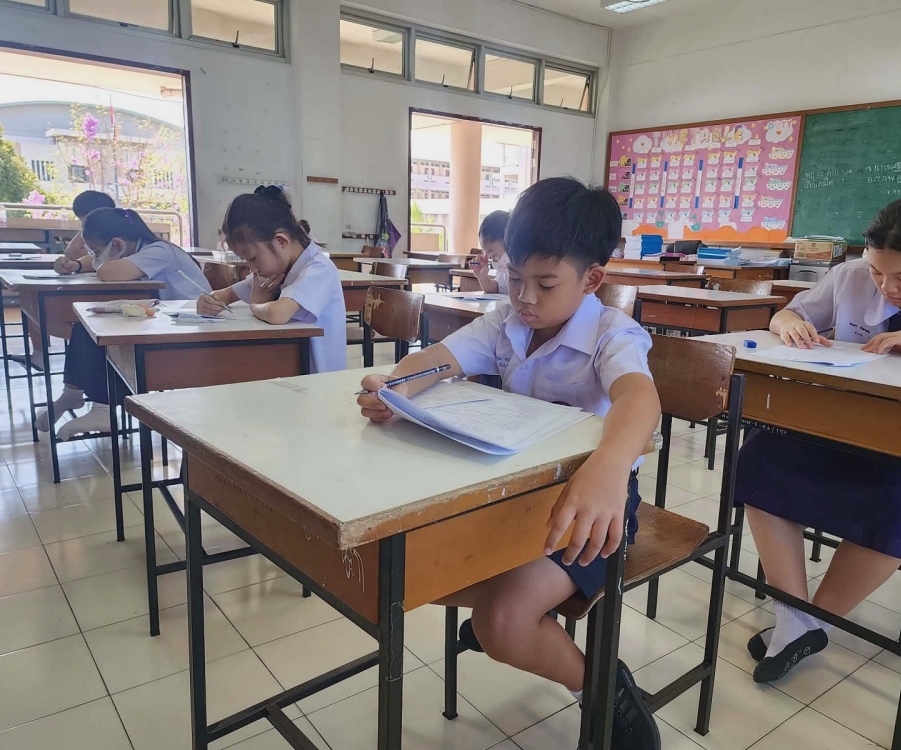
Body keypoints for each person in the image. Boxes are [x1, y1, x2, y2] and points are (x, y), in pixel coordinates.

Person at [356, 178, 662, 748]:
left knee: (500, 623)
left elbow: (640, 400)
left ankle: (601, 688)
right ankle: (521, 623)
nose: (524, 297)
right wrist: (394, 389)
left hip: (591, 505)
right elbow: (439, 359)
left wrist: (608, 468)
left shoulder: (612, 334)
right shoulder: (507, 322)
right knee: (414, 567)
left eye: (544, 284)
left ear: (591, 279)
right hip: (513, 492)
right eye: (513, 276)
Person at [739, 195, 901, 684]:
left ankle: (810, 621)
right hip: (845, 424)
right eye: (878, 271)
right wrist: (792, 323)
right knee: (760, 457)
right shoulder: (851, 275)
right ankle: (795, 616)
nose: (886, 287)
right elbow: (787, 315)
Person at [41, 208, 211, 438]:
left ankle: (103, 408)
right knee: (85, 325)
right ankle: (73, 394)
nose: (95, 257)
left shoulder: (159, 251)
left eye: (97, 251)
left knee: (109, 332)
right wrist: (76, 266)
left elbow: (109, 272)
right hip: (167, 319)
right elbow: (102, 265)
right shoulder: (140, 249)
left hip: (193, 327)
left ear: (118, 244)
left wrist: (95, 262)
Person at [197, 186, 346, 373]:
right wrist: (209, 300)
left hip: (318, 378)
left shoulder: (319, 269)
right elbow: (227, 295)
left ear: (281, 241)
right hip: (289, 370)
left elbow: (278, 314)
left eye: (253, 258)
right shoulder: (278, 270)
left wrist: (256, 304)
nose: (252, 268)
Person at [14, 191, 116, 372]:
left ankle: (107, 345)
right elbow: (78, 256)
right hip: (96, 287)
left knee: (42, 313)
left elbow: (75, 253)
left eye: (84, 221)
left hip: (111, 295)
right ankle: (41, 355)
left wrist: (86, 233)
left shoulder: (118, 235)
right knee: (33, 303)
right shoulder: (99, 234)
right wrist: (75, 264)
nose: (82, 226)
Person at [469, 210, 510, 294]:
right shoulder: (505, 272)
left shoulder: (524, 269)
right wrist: (482, 277)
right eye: (490, 256)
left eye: (494, 255)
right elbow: (496, 289)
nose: (494, 260)